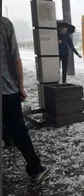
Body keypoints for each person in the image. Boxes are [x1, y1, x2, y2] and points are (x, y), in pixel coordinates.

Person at [1, 16, 49, 182]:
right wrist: (20, 87)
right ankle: (35, 169)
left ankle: (7, 138)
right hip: (6, 90)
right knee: (19, 130)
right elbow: (15, 59)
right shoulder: (4, 23)